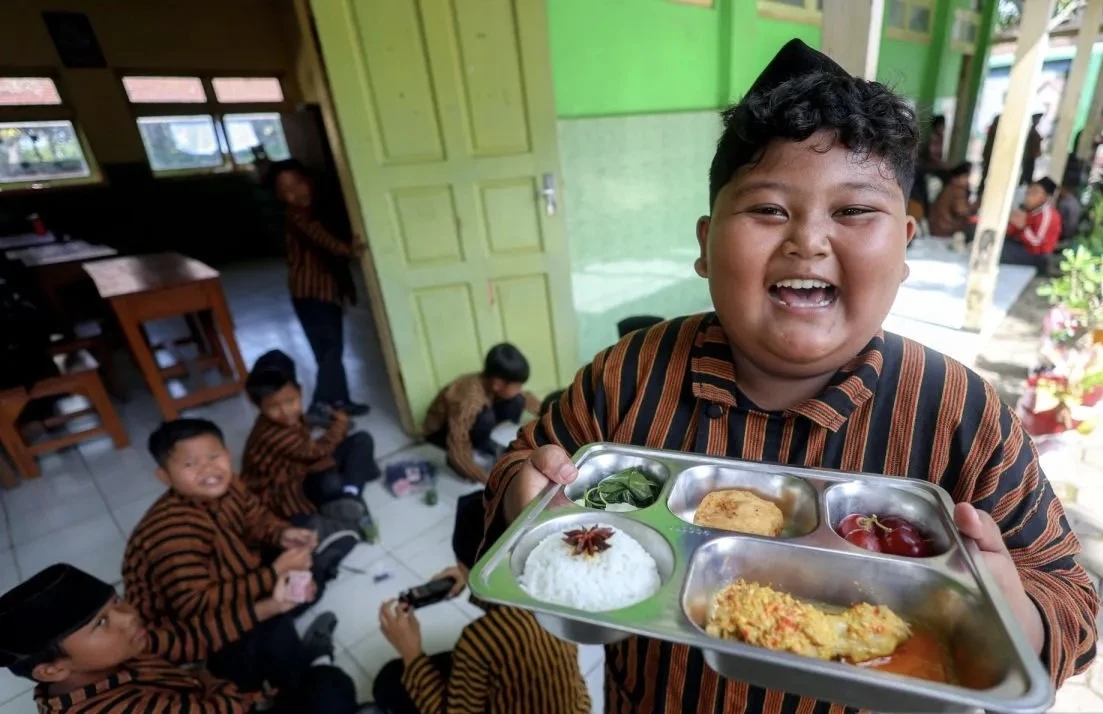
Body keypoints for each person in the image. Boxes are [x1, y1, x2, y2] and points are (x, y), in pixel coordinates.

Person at [481, 39, 1099, 713]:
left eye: (854, 211)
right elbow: (523, 466)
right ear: (703, 243)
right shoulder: (626, 375)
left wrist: (1018, 614)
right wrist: (525, 494)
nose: (807, 239)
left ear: (904, 248)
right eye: (767, 209)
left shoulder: (959, 412)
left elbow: (1071, 599)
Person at [123, 418, 359, 692]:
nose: (209, 470)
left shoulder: (230, 483)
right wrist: (272, 574)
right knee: (273, 625)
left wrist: (282, 534)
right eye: (190, 464)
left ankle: (305, 587)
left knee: (299, 539)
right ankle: (295, 670)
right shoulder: (172, 531)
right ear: (164, 475)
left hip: (235, 577)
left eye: (214, 456)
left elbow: (256, 516)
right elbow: (195, 605)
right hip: (197, 632)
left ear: (227, 454)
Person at [0, 564, 365, 713]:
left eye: (118, 602)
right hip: (213, 697)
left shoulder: (107, 655)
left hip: (196, 687)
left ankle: (294, 676)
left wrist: (273, 603)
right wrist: (214, 684)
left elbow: (187, 638)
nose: (129, 617)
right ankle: (309, 669)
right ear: (51, 670)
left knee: (263, 624)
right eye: (101, 624)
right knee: (330, 688)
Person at [372, 492, 590, 714]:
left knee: (389, 682)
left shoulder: (481, 640)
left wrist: (411, 653)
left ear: (465, 566)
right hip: (573, 706)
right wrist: (471, 578)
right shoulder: (556, 595)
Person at [266, 159, 369, 424]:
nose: (295, 192)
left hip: (326, 293)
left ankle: (340, 401)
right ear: (279, 195)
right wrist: (349, 250)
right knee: (329, 352)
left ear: (308, 181)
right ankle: (320, 407)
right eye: (285, 188)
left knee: (332, 350)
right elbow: (322, 239)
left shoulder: (317, 212)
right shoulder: (297, 217)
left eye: (298, 183)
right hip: (311, 294)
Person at [243, 351, 379, 538]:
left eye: (290, 401)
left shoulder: (284, 414)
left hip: (299, 470)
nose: (285, 412)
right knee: (330, 482)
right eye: (274, 407)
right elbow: (315, 452)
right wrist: (340, 425)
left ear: (299, 390)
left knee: (362, 439)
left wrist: (322, 422)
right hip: (282, 491)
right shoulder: (272, 434)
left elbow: (302, 424)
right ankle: (346, 503)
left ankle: (351, 493)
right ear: (259, 404)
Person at [423, 343, 541, 483]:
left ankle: (493, 441)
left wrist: (550, 413)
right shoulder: (469, 400)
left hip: (478, 414)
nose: (520, 389)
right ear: (497, 384)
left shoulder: (493, 382)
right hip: (442, 433)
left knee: (518, 400)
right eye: (517, 386)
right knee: (486, 418)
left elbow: (527, 398)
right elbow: (457, 443)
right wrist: (487, 480)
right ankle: (480, 449)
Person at [1002, 177, 1063, 271]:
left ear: (1045, 197)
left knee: (1002, 251)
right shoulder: (1029, 210)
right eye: (1028, 192)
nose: (1028, 196)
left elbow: (1037, 245)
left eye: (1034, 193)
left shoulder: (1047, 215)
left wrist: (1023, 228)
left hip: (1038, 256)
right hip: (1025, 248)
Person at [927, 162, 977, 238]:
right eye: (966, 176)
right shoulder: (957, 189)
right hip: (944, 229)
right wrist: (978, 204)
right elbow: (961, 210)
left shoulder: (950, 187)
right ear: (958, 177)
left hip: (936, 227)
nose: (968, 181)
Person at [1022, 112, 1044, 186]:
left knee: (1029, 172)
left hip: (1031, 155)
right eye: (1038, 119)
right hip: (1029, 155)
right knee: (1028, 173)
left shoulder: (1033, 130)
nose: (1038, 121)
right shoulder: (1032, 131)